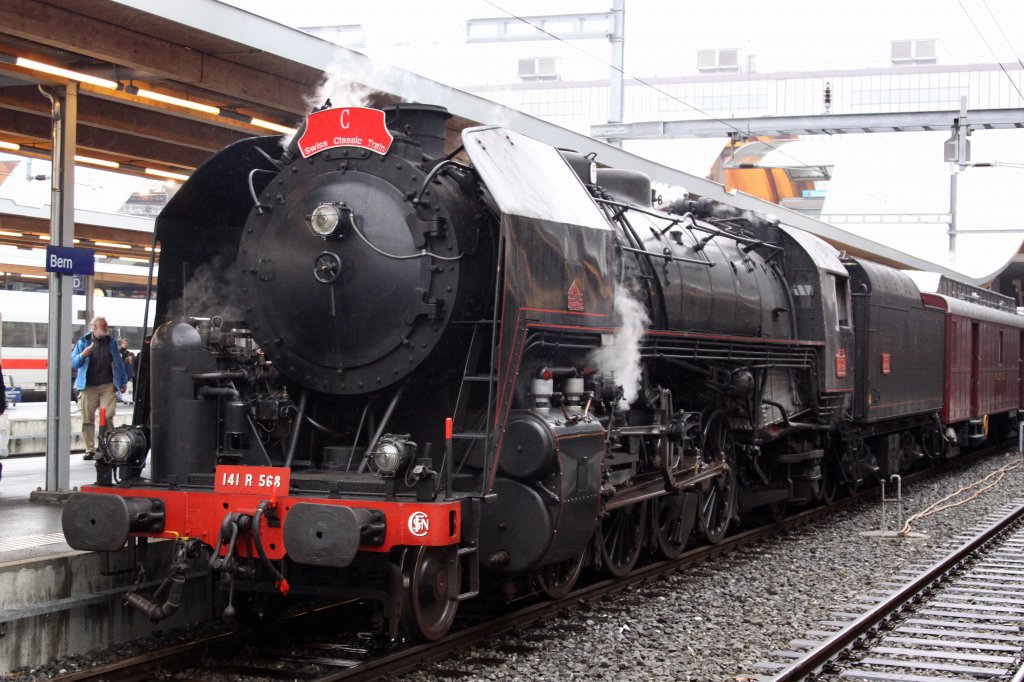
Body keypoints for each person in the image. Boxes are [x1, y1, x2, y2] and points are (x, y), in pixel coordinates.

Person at [71, 317, 129, 460]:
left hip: (107, 384)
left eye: (106, 325)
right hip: (88, 386)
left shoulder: (111, 342)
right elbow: (73, 362)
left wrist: (123, 381)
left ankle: (107, 446)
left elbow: (118, 362)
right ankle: (90, 448)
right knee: (87, 418)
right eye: (103, 326)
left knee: (108, 415)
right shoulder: (83, 342)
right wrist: (83, 355)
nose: (106, 328)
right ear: (94, 328)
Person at [118, 339, 135, 403]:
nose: (126, 344)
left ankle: (126, 397)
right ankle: (119, 396)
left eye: (127, 343)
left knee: (127, 384)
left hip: (127, 371)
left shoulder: (129, 353)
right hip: (120, 370)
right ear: (121, 344)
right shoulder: (118, 352)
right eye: (124, 343)